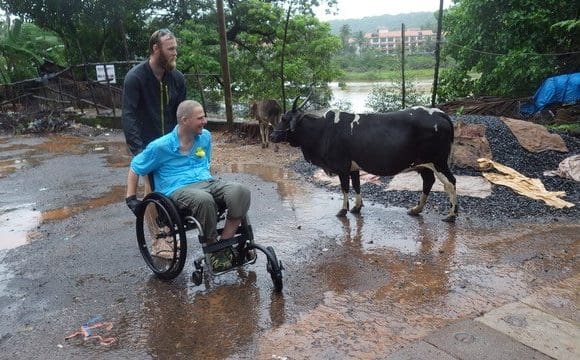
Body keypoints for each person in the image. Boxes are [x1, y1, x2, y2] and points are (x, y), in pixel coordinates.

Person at [125, 100, 251, 272]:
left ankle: (222, 246)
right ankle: (212, 246)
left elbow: (206, 161)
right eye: (200, 118)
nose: (205, 121)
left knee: (240, 192)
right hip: (177, 189)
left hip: (206, 181)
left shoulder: (205, 137)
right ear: (185, 120)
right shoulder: (160, 146)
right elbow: (135, 166)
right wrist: (131, 198)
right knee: (204, 200)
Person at [122, 28, 187, 156]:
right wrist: (139, 153)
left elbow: (182, 114)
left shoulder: (178, 78)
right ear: (156, 48)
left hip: (172, 148)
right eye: (170, 49)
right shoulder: (135, 78)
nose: (175, 53)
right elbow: (129, 117)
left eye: (175, 48)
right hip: (146, 148)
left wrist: (184, 144)